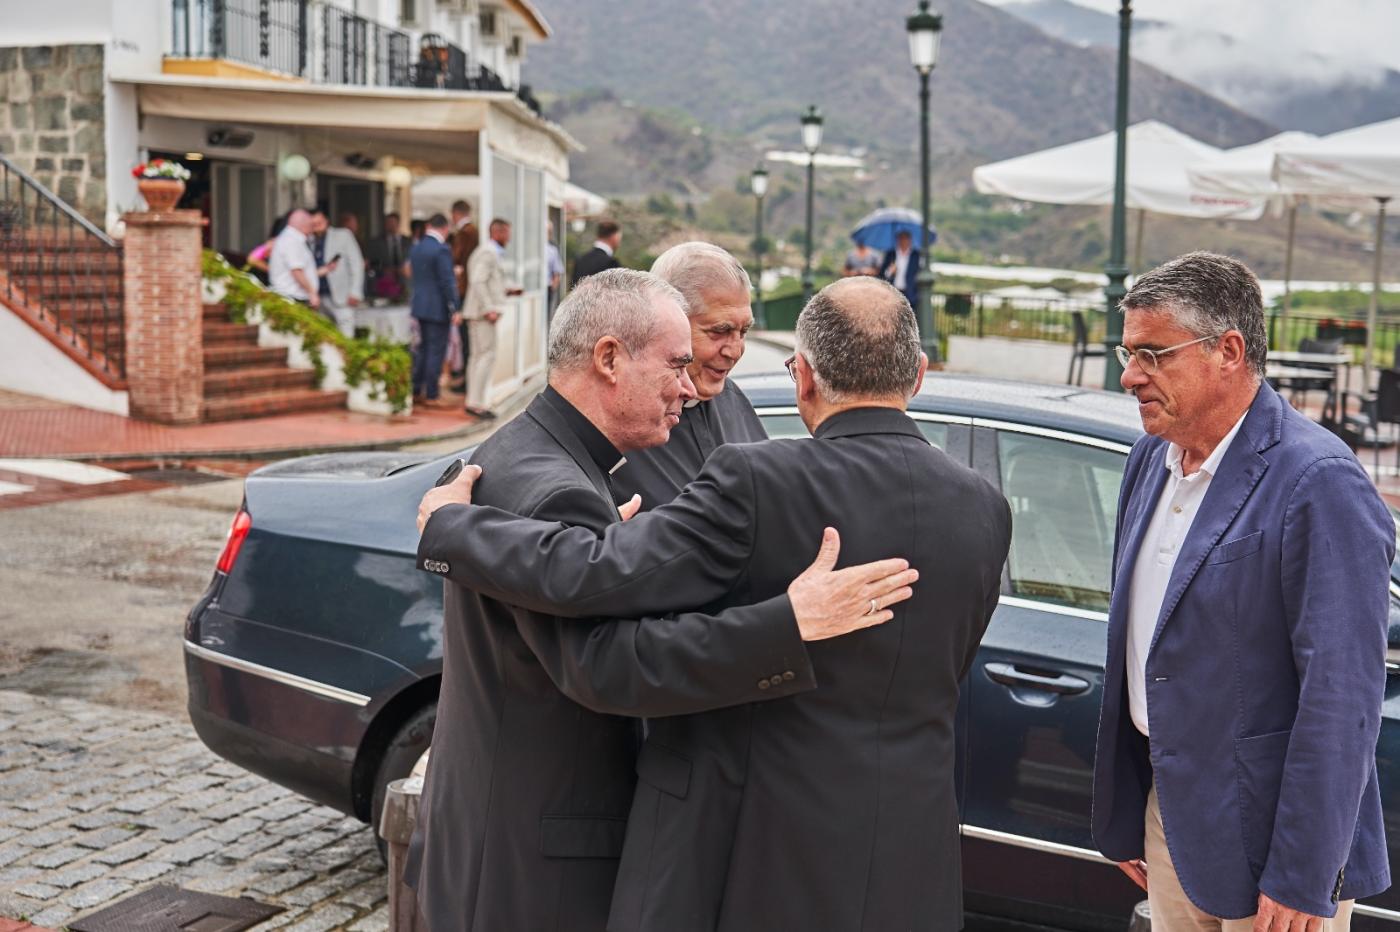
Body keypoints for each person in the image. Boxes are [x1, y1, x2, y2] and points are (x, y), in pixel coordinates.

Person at [417, 276, 1011, 931]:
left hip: (751, 856)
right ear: (919, 375)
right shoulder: (987, 509)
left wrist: (450, 527)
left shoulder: (758, 481)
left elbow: (598, 581)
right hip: (909, 857)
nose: (690, 387)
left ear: (803, 377)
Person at [1092, 252, 1393, 932]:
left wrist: (1303, 871)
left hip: (1273, 842)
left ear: (1227, 351)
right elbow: (1148, 646)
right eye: (1128, 352)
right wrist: (1132, 810)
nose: (1130, 374)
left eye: (1152, 354)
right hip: (1171, 816)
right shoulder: (1150, 458)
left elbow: (1341, 697)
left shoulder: (1318, 480)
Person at [610, 241, 766, 510]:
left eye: (743, 332)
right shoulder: (615, 421)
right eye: (720, 331)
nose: (735, 351)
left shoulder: (734, 399)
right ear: (668, 321)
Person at [461, 218, 517, 420]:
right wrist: (488, 308)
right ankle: (477, 404)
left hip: (479, 313)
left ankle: (474, 401)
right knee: (486, 356)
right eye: (507, 233)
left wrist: (507, 290)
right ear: (498, 232)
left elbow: (487, 282)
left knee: (478, 357)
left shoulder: (488, 251)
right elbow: (478, 281)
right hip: (482, 314)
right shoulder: (488, 252)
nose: (509, 238)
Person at [408, 214, 458, 407]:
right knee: (435, 351)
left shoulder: (416, 247)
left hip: (420, 305)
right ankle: (432, 394)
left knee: (422, 349)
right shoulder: (442, 249)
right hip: (437, 307)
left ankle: (416, 390)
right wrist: (455, 307)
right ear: (445, 228)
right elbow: (447, 281)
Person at [311, 209, 366, 337]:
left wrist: (355, 291)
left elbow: (356, 264)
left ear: (326, 221)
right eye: (314, 224)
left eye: (319, 223)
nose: (317, 226)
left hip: (341, 296)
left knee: (346, 335)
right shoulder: (308, 239)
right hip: (318, 297)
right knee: (324, 337)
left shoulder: (343, 235)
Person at [268, 208, 332, 310]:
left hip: (291, 298)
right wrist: (312, 293)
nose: (312, 228)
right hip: (292, 299)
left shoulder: (291, 238)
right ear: (303, 225)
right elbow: (296, 271)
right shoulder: (292, 241)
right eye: (311, 225)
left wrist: (322, 271)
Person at [449, 199, 480, 391]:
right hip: (470, 288)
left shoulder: (465, 233)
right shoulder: (474, 231)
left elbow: (456, 257)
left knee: (467, 340)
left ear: (455, 214)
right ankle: (467, 380)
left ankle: (467, 383)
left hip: (464, 290)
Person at [366, 212, 412, 301]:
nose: (391, 225)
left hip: (404, 282)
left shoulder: (408, 242)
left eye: (393, 222)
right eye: (388, 222)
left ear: (398, 223)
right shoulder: (376, 242)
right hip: (384, 281)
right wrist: (384, 269)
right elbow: (371, 262)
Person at [880, 229, 920, 309]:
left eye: (905, 239)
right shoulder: (891, 254)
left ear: (910, 240)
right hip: (893, 291)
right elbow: (882, 274)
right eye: (901, 239)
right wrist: (890, 271)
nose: (903, 241)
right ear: (897, 240)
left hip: (910, 293)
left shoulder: (916, 255)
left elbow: (919, 273)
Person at [546, 220, 564, 316]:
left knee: (547, 314)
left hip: (547, 288)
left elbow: (557, 271)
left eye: (549, 232)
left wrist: (553, 288)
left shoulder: (552, 250)